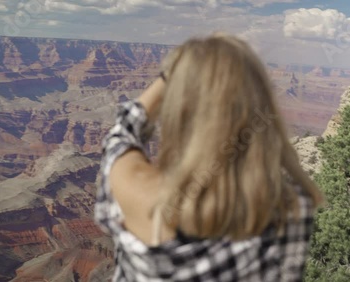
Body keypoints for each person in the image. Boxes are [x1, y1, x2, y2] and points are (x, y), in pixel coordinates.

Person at [94, 32, 325, 281]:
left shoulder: (146, 203)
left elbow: (120, 136)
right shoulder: (294, 206)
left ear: (179, 110)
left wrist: (172, 75)